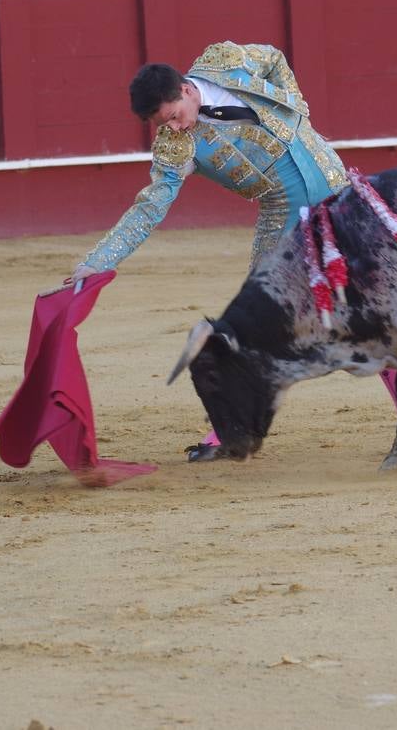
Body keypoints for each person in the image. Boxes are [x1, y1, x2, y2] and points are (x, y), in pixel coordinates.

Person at [64, 42, 350, 460]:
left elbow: (272, 57)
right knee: (253, 325)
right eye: (164, 125)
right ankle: (228, 431)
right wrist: (100, 260)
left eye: (175, 117)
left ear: (186, 90)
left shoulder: (223, 62)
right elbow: (150, 206)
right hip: (282, 215)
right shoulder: (175, 147)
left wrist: (296, 106)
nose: (175, 129)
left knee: (380, 302)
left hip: (337, 185)